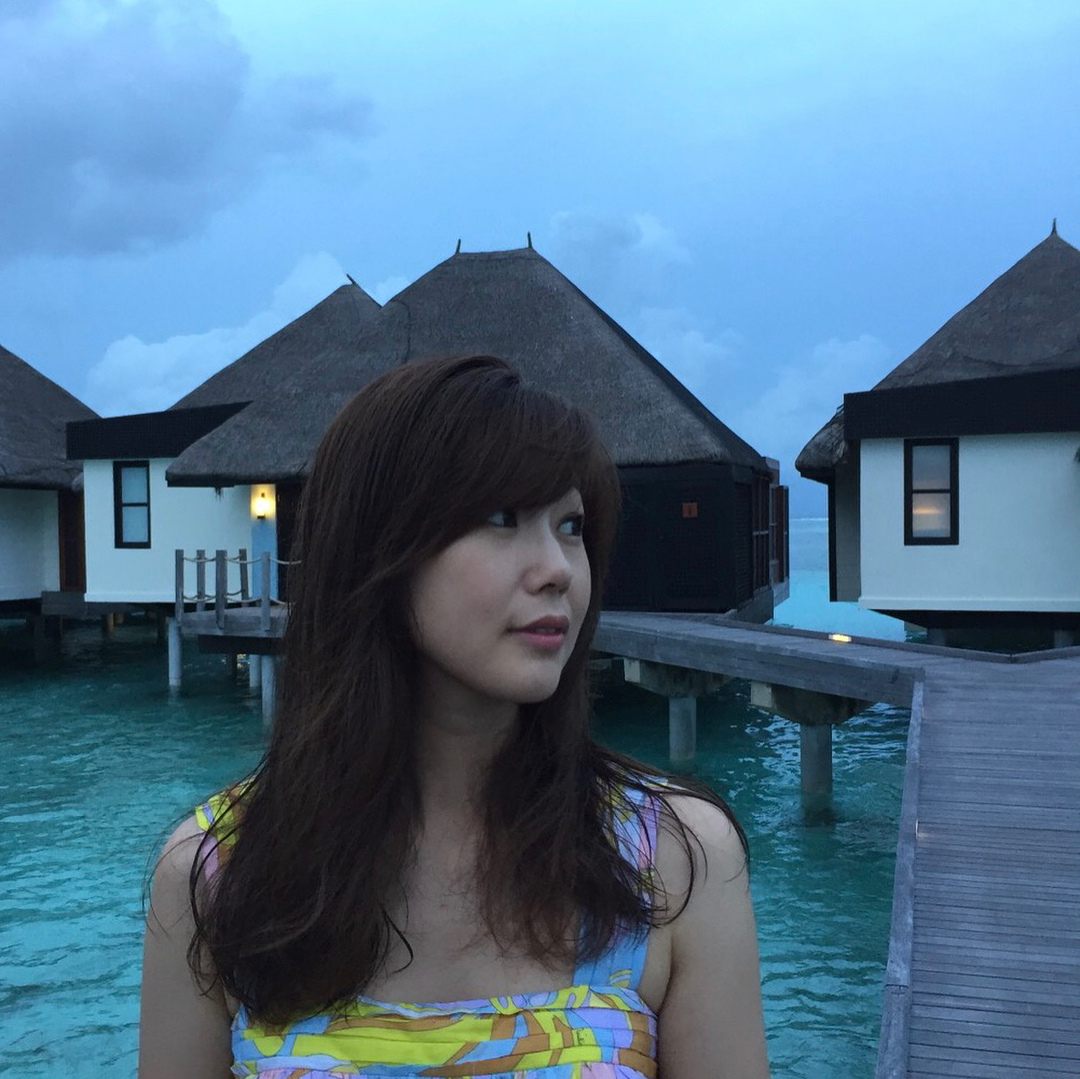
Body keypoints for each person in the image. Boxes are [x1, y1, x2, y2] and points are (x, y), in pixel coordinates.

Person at [139, 353, 770, 1079]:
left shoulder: (673, 861)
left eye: (570, 524)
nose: (558, 568)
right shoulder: (215, 876)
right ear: (379, 549)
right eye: (501, 518)